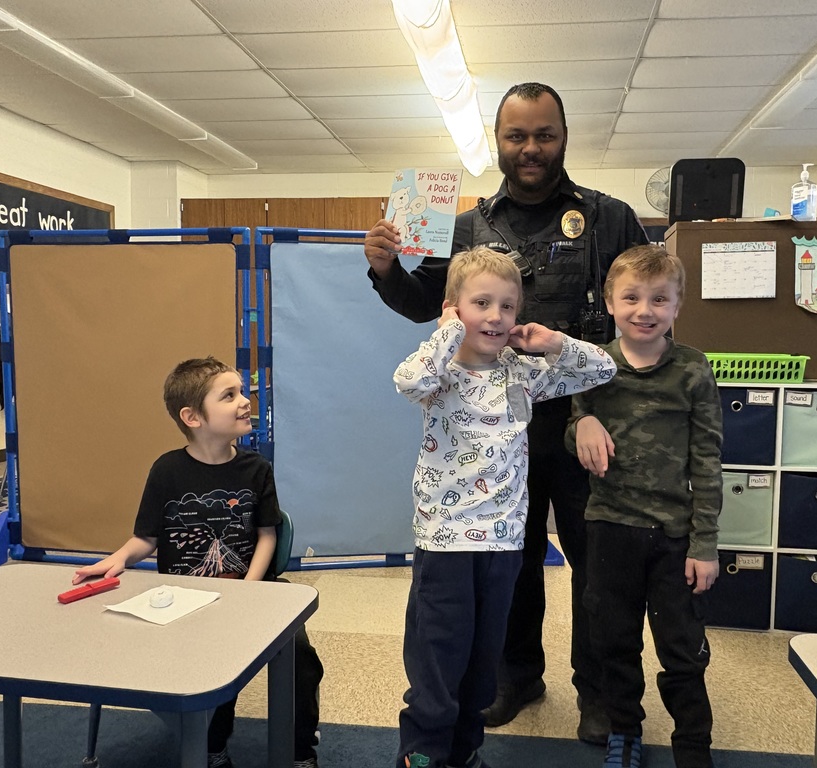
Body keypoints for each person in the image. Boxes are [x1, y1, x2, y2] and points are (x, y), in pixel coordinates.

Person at [365, 81, 647, 742]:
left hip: (585, 422)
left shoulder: (610, 218)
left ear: (564, 136)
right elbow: (427, 305)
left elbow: (637, 322)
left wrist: (602, 408)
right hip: (497, 431)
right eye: (516, 135)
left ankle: (598, 692)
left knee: (597, 567)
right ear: (498, 141)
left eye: (543, 134)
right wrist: (384, 270)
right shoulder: (468, 227)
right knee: (510, 561)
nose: (530, 148)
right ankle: (515, 676)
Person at [392, 247, 616, 768]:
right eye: (482, 303)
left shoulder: (521, 371)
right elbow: (408, 382)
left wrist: (553, 342)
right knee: (437, 661)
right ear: (454, 307)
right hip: (447, 540)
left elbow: (601, 369)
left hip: (505, 543)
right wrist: (447, 331)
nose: (495, 317)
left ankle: (465, 751)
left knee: (481, 664)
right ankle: (421, 757)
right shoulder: (440, 370)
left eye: (508, 306)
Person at [72, 357, 324, 768]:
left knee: (298, 655)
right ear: (192, 417)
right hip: (184, 598)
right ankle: (212, 747)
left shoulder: (256, 469)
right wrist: (118, 559)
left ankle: (298, 751)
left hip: (253, 589)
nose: (246, 401)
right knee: (209, 665)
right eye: (230, 395)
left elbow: (267, 535)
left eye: (243, 391)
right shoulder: (167, 471)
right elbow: (146, 538)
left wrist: (248, 587)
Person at [566, 245, 722, 768]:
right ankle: (624, 732)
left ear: (678, 306)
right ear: (610, 302)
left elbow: (707, 460)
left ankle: (693, 745)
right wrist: (581, 423)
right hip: (610, 527)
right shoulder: (593, 365)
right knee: (614, 641)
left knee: (682, 647)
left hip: (675, 534)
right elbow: (573, 431)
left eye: (660, 299)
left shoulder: (693, 370)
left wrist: (704, 543)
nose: (644, 310)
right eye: (631, 297)